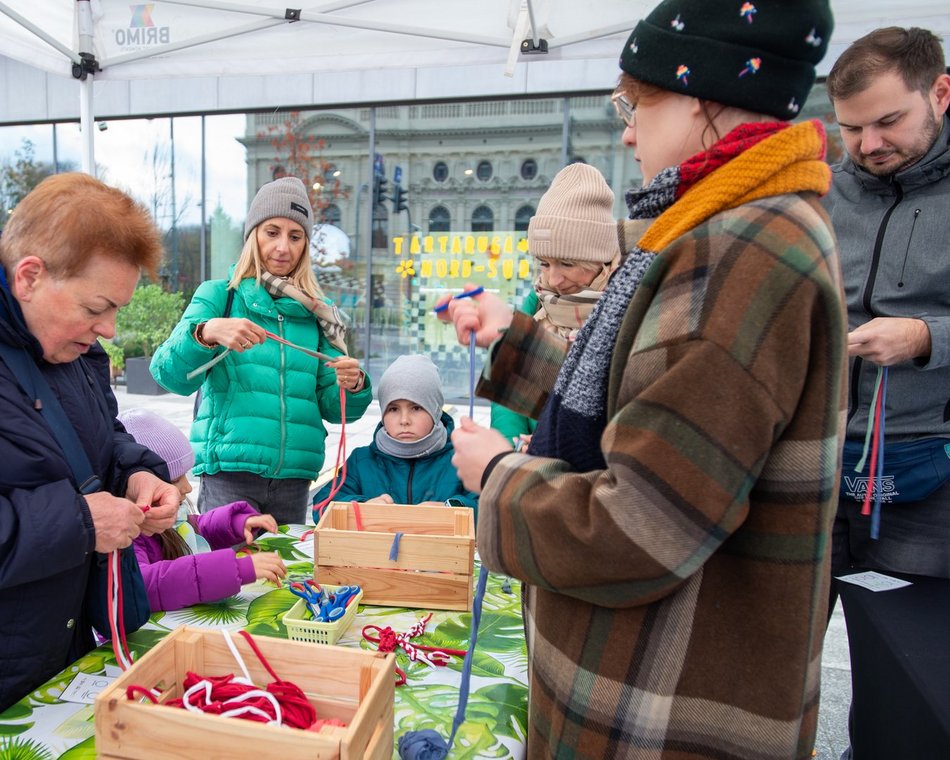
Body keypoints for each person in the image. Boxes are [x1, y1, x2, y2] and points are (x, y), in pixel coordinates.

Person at [438, 1, 847, 757]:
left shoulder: (739, 252)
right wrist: (514, 344)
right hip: (644, 689)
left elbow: (641, 525)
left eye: (639, 103)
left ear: (706, 100)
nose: (627, 130)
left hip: (658, 709)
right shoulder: (726, 227)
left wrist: (499, 475)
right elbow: (643, 412)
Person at [0, 173, 179, 711]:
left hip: (55, 652)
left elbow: (102, 436)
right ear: (29, 277)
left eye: (117, 309)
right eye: (96, 307)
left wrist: (137, 473)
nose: (109, 329)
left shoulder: (72, 350)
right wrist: (80, 523)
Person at [150, 177, 373, 525]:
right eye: (272, 231)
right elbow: (167, 374)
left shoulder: (320, 313)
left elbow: (334, 409)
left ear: (305, 245)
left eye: (295, 236)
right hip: (229, 476)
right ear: (253, 234)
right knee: (227, 577)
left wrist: (354, 384)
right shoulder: (219, 295)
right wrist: (206, 333)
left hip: (295, 480)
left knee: (284, 578)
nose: (283, 247)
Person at [824, 27, 950, 585]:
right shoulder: (820, 193)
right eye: (850, 128)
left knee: (909, 659)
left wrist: (926, 337)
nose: (869, 144)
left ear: (940, 94)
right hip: (814, 463)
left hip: (930, 474)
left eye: (888, 122)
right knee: (779, 656)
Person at [491, 162, 621, 450]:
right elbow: (507, 401)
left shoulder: (624, 305)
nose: (553, 278)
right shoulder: (535, 303)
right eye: (545, 263)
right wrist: (510, 450)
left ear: (599, 260)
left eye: (567, 264)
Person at [118, 409, 288, 611]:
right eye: (175, 480)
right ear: (138, 488)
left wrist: (234, 523)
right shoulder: (125, 538)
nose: (188, 487)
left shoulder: (170, 517)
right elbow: (148, 584)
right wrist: (235, 569)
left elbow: (195, 530)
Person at [312, 354, 478, 516]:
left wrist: (451, 509)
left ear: (435, 411)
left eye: (416, 408)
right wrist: (361, 508)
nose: (404, 420)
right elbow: (322, 506)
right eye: (393, 409)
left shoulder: (462, 461)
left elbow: (488, 510)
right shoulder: (361, 461)